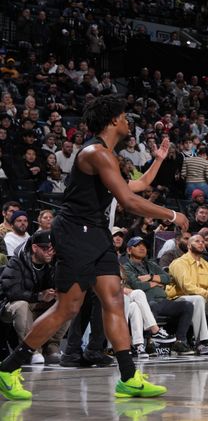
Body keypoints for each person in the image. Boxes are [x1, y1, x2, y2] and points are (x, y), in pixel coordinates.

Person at [0, 94, 189, 401]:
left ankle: (128, 378)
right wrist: (172, 214)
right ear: (114, 120)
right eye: (125, 116)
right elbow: (128, 202)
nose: (129, 121)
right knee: (67, 308)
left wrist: (158, 160)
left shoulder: (107, 157)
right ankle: (9, 369)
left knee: (113, 299)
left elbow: (133, 188)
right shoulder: (95, 153)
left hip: (96, 232)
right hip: (75, 232)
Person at [0, 230, 67, 365]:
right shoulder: (17, 262)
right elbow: (12, 292)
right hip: (10, 307)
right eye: (45, 248)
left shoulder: (55, 263)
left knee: (67, 303)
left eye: (52, 248)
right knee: (21, 305)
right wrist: (39, 296)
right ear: (35, 248)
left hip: (39, 304)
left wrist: (56, 292)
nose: (50, 252)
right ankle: (32, 351)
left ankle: (51, 347)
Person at [123, 237, 194, 355]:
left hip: (163, 301)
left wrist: (150, 278)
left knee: (187, 305)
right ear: (129, 250)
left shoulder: (151, 265)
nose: (142, 248)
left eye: (144, 246)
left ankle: (180, 341)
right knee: (152, 306)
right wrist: (156, 283)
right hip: (147, 301)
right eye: (137, 245)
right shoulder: (126, 267)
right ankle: (149, 343)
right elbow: (137, 286)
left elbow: (168, 278)